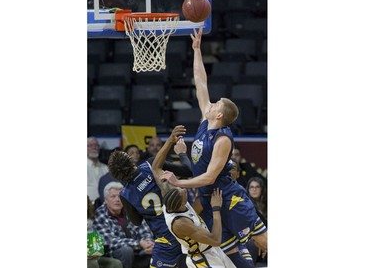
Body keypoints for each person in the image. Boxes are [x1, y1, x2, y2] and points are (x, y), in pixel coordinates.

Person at [160, 27, 267, 268]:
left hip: (228, 198)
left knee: (264, 242)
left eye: (216, 103)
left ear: (219, 115)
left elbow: (209, 177)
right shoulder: (205, 122)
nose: (211, 102)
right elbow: (200, 82)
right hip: (210, 201)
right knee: (235, 257)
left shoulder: (222, 139)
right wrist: (196, 50)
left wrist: (179, 183)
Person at [151, 125, 236, 268]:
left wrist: (170, 140)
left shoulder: (170, 195)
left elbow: (155, 167)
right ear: (180, 204)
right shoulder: (180, 223)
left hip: (212, 251)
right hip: (202, 258)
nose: (183, 189)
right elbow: (215, 240)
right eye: (182, 192)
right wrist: (215, 209)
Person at [107, 149, 193, 268]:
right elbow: (188, 170)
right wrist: (182, 153)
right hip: (187, 225)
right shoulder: (150, 164)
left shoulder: (125, 195)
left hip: (167, 237)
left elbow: (136, 222)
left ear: (116, 175)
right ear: (130, 160)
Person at [93, 182, 154, 268]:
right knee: (126, 251)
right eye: (113, 196)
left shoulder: (130, 210)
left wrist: (148, 243)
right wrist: (138, 243)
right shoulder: (100, 214)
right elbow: (110, 241)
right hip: (115, 251)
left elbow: (144, 230)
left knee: (156, 248)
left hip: (138, 249)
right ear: (106, 199)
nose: (117, 199)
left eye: (120, 196)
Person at [87, 195, 123, 268]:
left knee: (116, 263)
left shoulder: (90, 222)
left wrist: (96, 251)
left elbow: (96, 249)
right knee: (92, 264)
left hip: (93, 257)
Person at [88, 137, 109, 202]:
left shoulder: (105, 168)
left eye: (96, 145)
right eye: (90, 145)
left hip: (103, 206)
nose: (94, 147)